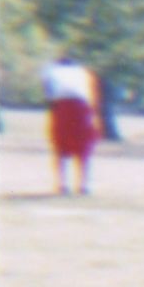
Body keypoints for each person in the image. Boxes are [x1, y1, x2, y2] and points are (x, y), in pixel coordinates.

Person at [43, 54, 99, 194]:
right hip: (82, 107)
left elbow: (48, 93)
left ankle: (63, 184)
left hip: (63, 107)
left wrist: (52, 108)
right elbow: (91, 96)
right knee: (84, 148)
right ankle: (84, 185)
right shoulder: (84, 72)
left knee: (61, 147)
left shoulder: (51, 70)